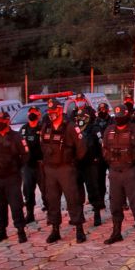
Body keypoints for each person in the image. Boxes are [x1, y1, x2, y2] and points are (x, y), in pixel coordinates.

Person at [40, 98, 88, 243]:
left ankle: (79, 229)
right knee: (52, 200)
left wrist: (72, 162)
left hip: (66, 168)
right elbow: (42, 144)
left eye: (53, 111)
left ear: (60, 110)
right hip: (50, 169)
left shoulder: (70, 126)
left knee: (72, 199)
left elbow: (82, 148)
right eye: (49, 111)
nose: (51, 113)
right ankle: (55, 229)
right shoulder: (45, 126)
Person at [101, 106, 135, 245]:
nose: (119, 118)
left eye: (121, 115)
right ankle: (116, 233)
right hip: (115, 172)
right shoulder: (109, 130)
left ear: (127, 115)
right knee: (115, 203)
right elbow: (104, 149)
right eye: (117, 116)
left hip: (131, 172)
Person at [0, 112, 28, 244]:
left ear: (8, 121)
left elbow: (25, 155)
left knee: (16, 205)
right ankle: (2, 231)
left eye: (2, 119)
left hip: (12, 178)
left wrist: (16, 169)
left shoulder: (16, 137)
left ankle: (21, 231)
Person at [74, 109, 104, 226]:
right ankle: (80, 214)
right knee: (77, 191)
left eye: (82, 117)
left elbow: (100, 145)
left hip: (90, 164)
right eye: (78, 117)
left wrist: (98, 159)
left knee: (93, 189)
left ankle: (97, 213)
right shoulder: (75, 130)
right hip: (77, 164)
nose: (79, 119)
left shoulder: (94, 129)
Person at [19, 106, 45, 223]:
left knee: (46, 190)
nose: (32, 114)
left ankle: (51, 212)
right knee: (28, 191)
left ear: (39, 115)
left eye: (35, 112)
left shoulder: (43, 128)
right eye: (30, 112)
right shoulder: (23, 129)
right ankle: (30, 214)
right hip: (28, 166)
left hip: (41, 165)